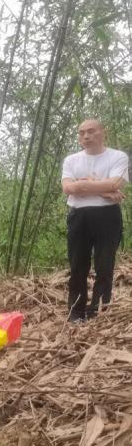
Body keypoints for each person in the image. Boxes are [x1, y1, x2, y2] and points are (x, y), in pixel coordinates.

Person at [61, 119, 128, 322]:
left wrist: (83, 185)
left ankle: (98, 311)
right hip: (79, 216)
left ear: (103, 132)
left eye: (91, 131)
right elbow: (68, 188)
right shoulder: (71, 160)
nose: (86, 136)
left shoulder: (118, 156)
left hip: (108, 215)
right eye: (81, 132)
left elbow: (116, 183)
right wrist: (105, 190)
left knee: (104, 266)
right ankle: (76, 312)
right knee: (77, 266)